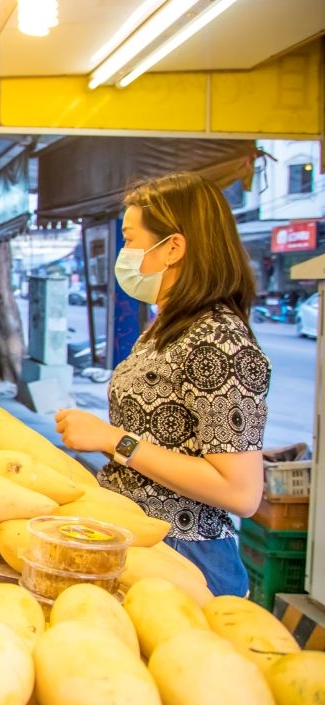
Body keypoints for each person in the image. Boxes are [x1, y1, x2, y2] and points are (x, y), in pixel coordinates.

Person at [54, 171, 269, 597]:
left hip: (185, 560)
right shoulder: (168, 328)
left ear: (173, 247)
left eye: (131, 240)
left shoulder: (219, 341)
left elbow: (241, 491)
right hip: (142, 543)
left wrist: (115, 441)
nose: (126, 253)